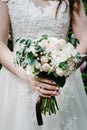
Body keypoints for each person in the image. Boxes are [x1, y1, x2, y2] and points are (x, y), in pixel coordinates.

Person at [0, 0, 87, 130]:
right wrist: (27, 77)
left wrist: (63, 70)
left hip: (62, 79)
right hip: (18, 78)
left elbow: (85, 36)